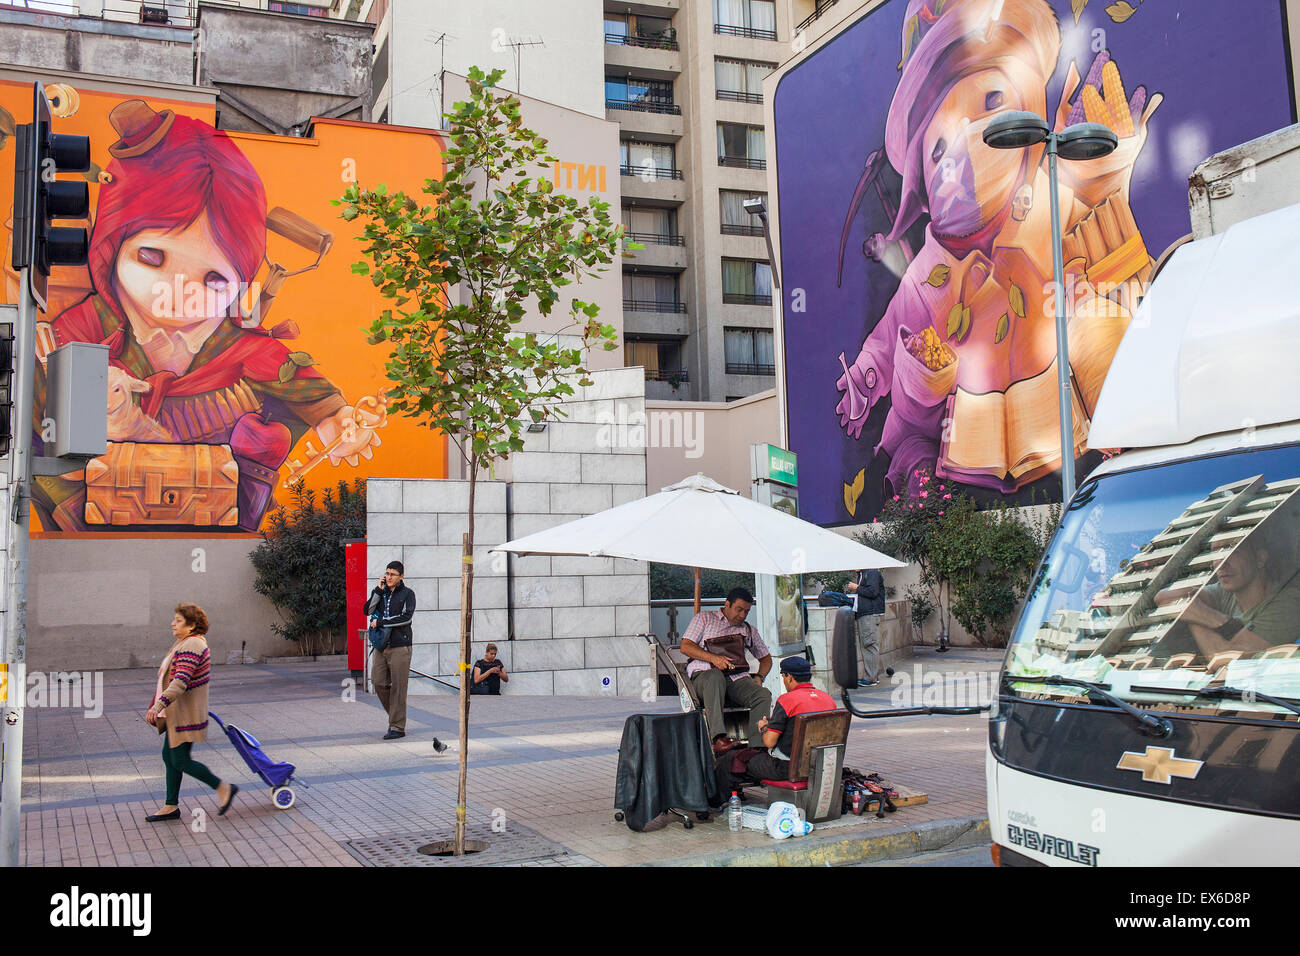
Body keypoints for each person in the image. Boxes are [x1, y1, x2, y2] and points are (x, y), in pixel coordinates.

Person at [143, 603, 238, 822]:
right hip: (176, 713)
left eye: (178, 620)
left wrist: (158, 705)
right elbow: (167, 678)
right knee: (170, 756)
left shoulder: (193, 644)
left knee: (180, 760)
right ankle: (170, 806)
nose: (172, 623)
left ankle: (223, 788)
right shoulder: (183, 642)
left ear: (192, 625)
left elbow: (180, 681)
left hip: (185, 714)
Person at [1158, 531, 1300, 657]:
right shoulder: (1225, 592)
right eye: (1217, 554)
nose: (1221, 564)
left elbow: (1226, 659)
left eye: (1233, 552)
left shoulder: (1289, 605)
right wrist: (1221, 622)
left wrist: (1191, 614)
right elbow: (1163, 598)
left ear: (1260, 559)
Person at [716, 656, 838, 794]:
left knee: (732, 759)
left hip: (786, 767)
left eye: (783, 676)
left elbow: (769, 741)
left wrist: (763, 726)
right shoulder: (827, 699)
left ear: (789, 677)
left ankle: (720, 803)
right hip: (821, 765)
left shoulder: (787, 700)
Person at [680, 587, 772, 752]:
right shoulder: (705, 619)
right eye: (739, 609)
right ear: (727, 604)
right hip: (705, 677)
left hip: (736, 679)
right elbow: (686, 646)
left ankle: (757, 748)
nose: (742, 615)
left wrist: (759, 677)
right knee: (715, 676)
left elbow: (766, 659)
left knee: (763, 694)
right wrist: (713, 658)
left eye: (746, 611)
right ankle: (718, 738)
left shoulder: (748, 630)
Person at [366, 561, 417, 739]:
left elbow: (406, 618)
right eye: (387, 573)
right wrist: (378, 591)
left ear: (401, 576)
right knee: (378, 682)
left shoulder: (407, 594)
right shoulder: (382, 592)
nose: (388, 577)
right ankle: (397, 717)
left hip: (400, 646)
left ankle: (397, 727)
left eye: (392, 574)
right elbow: (368, 610)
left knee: (398, 687)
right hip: (381, 645)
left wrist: (382, 622)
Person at [847, 568, 886, 684]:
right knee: (869, 645)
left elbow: (873, 591)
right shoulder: (864, 573)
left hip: (869, 614)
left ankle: (871, 678)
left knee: (869, 645)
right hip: (866, 613)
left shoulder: (871, 572)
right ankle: (873, 675)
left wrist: (856, 588)